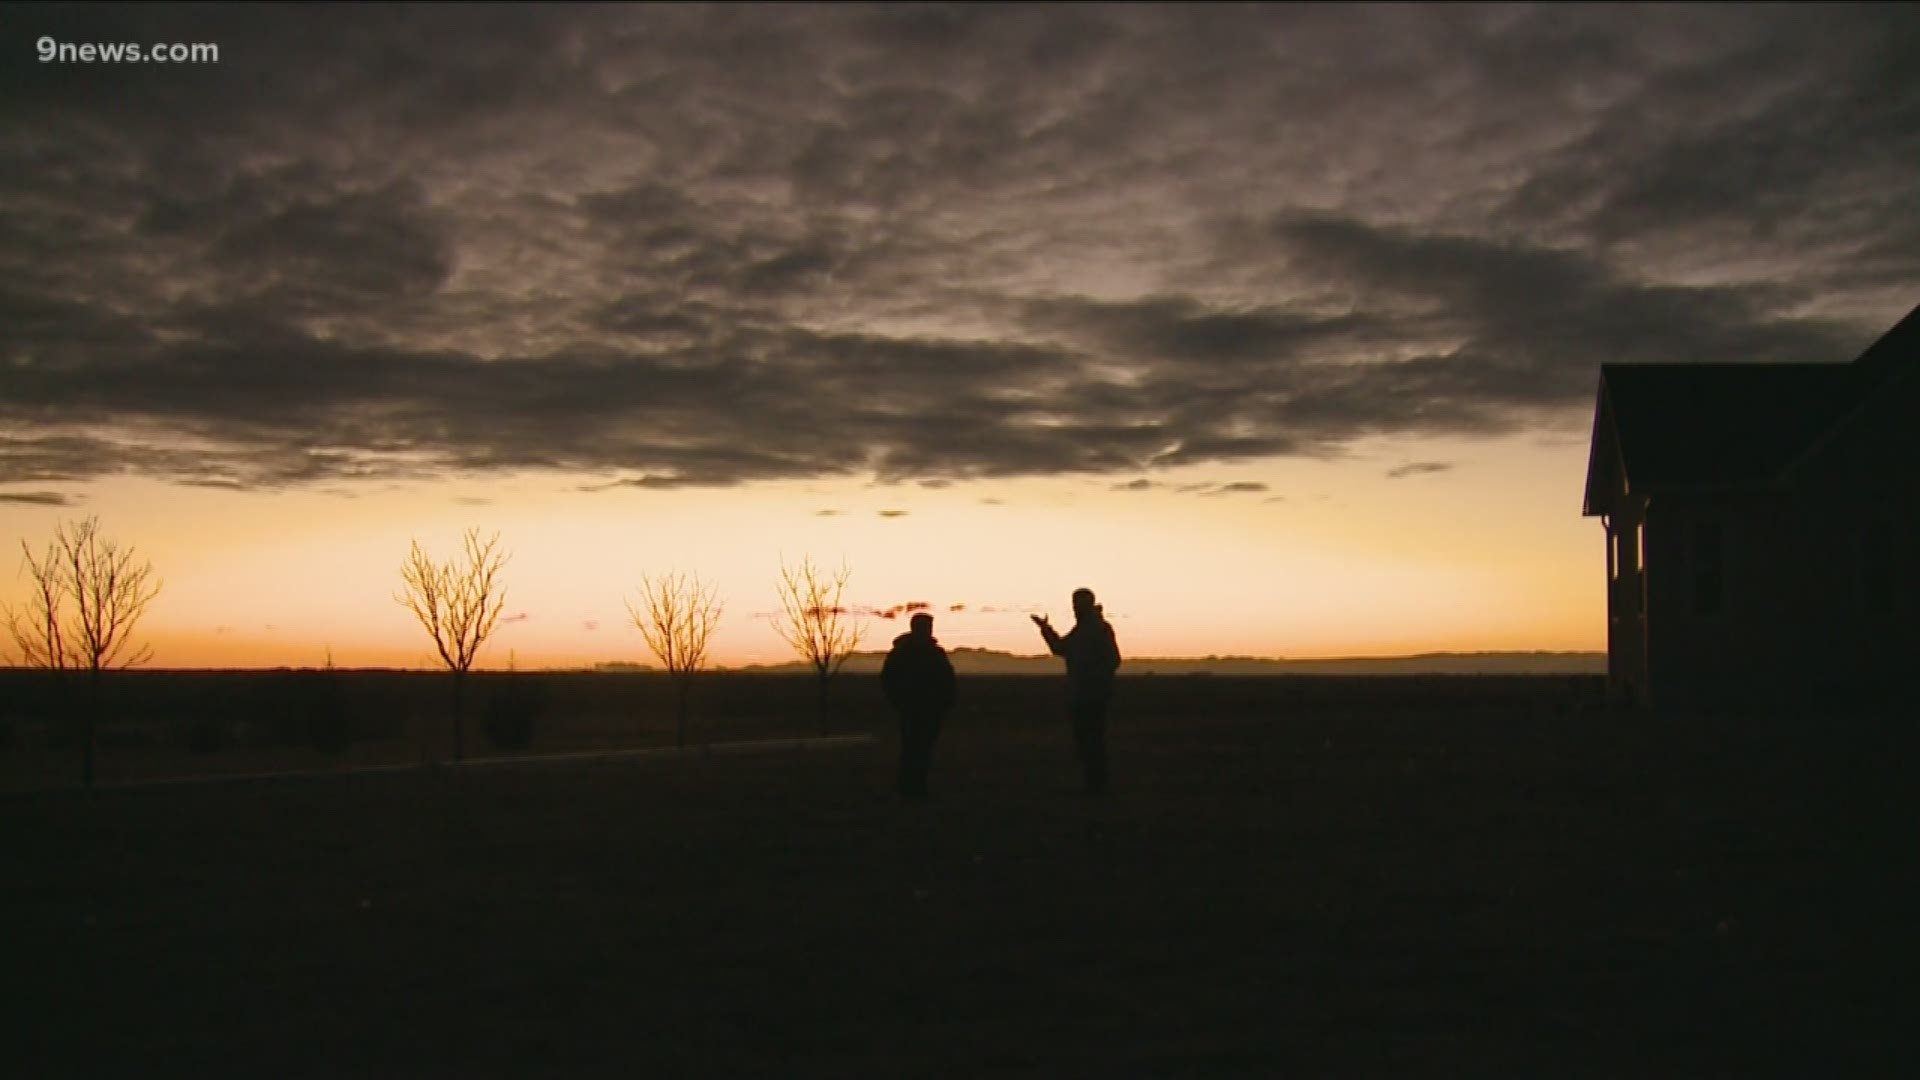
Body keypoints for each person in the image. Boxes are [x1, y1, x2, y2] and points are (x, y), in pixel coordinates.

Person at [1031, 588, 1121, 795]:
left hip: (1092, 695)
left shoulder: (1099, 629)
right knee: (1085, 741)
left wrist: (1094, 676)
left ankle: (1097, 787)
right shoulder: (1083, 629)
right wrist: (1046, 629)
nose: (1075, 608)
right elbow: (1060, 648)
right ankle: (1094, 785)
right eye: (1074, 603)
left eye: (1078, 604)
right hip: (1082, 694)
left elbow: (1113, 660)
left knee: (1092, 741)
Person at [880, 612, 956, 800]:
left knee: (922, 750)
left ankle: (916, 788)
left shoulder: (932, 653)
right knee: (913, 749)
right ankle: (909, 788)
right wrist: (900, 701)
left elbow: (947, 680)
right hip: (912, 709)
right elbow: (889, 680)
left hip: (930, 710)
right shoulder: (904, 653)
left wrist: (945, 702)